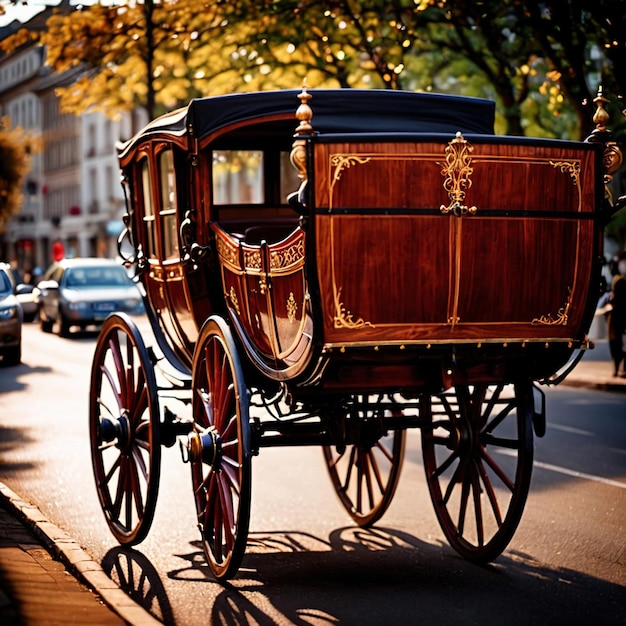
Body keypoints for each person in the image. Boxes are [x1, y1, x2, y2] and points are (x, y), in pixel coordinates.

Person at [607, 251, 626, 376]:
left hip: (619, 317)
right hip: (617, 317)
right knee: (617, 344)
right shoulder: (618, 280)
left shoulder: (619, 281)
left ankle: (620, 368)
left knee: (619, 344)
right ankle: (618, 368)